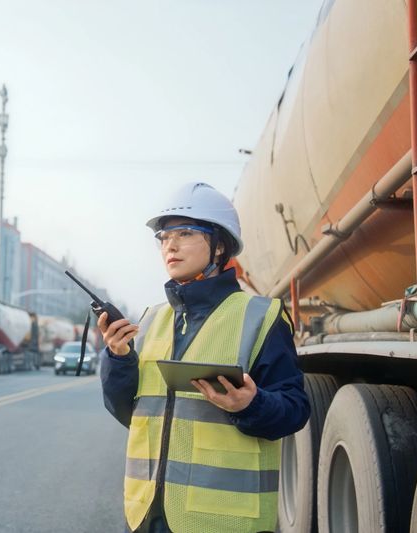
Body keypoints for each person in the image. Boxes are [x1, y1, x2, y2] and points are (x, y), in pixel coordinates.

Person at [99, 182, 309, 533]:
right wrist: (118, 358)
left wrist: (250, 404)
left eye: (185, 233)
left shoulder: (260, 317)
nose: (171, 245)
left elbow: (294, 411)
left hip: (224, 521)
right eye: (164, 237)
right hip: (148, 516)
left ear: (219, 246)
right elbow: (130, 414)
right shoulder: (151, 319)